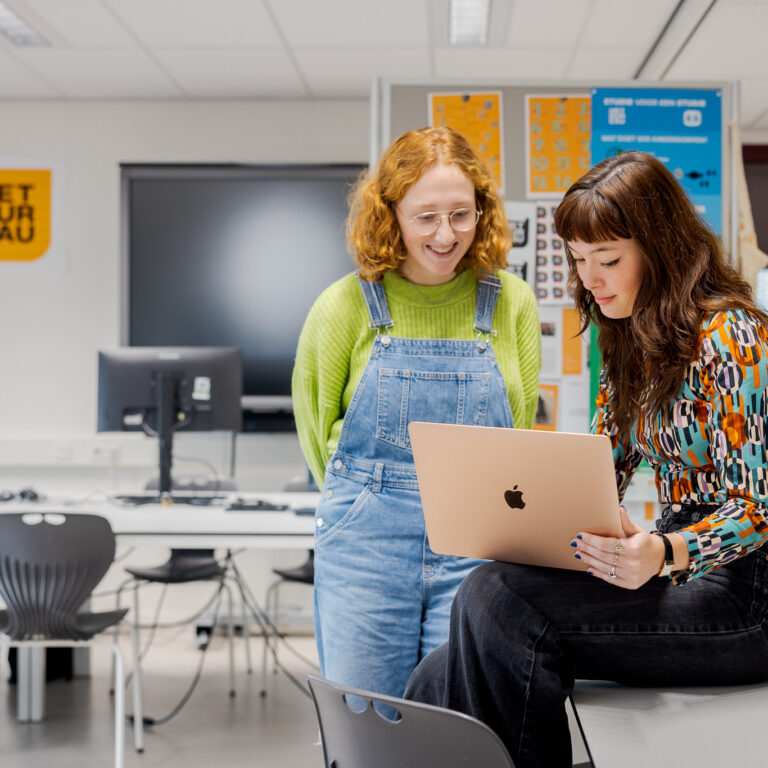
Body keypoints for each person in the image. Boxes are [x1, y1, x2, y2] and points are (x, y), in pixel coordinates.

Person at [405, 150, 768, 767]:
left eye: (609, 260)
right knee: (445, 663)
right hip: (671, 563)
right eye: (578, 259)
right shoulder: (627, 337)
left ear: (662, 249)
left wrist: (664, 551)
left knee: (496, 600)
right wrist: (548, 526)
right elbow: (605, 470)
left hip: (745, 596)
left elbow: (757, 508)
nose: (590, 278)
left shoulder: (730, 334)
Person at [292, 126, 541, 700]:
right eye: (425, 216)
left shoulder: (511, 302)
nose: (446, 234)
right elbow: (315, 438)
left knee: (453, 721)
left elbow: (518, 430)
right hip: (365, 546)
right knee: (368, 721)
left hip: (475, 542)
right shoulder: (343, 306)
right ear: (391, 215)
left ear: (482, 212)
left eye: (461, 214)